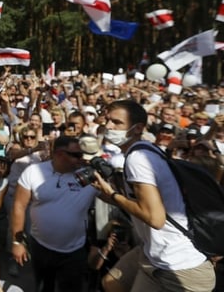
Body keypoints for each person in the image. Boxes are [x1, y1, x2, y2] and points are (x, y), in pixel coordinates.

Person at [91, 100, 216, 292]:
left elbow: (155, 218)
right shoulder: (146, 149)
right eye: (107, 120)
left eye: (116, 123)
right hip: (154, 253)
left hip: (178, 267)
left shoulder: (138, 159)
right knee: (112, 283)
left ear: (138, 128)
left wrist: (113, 195)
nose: (108, 126)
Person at [11, 136, 99, 292]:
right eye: (76, 155)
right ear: (59, 154)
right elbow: (19, 205)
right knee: (44, 288)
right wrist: (17, 242)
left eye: (82, 154)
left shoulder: (90, 176)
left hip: (74, 251)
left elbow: (113, 197)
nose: (81, 159)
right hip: (40, 247)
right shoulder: (34, 172)